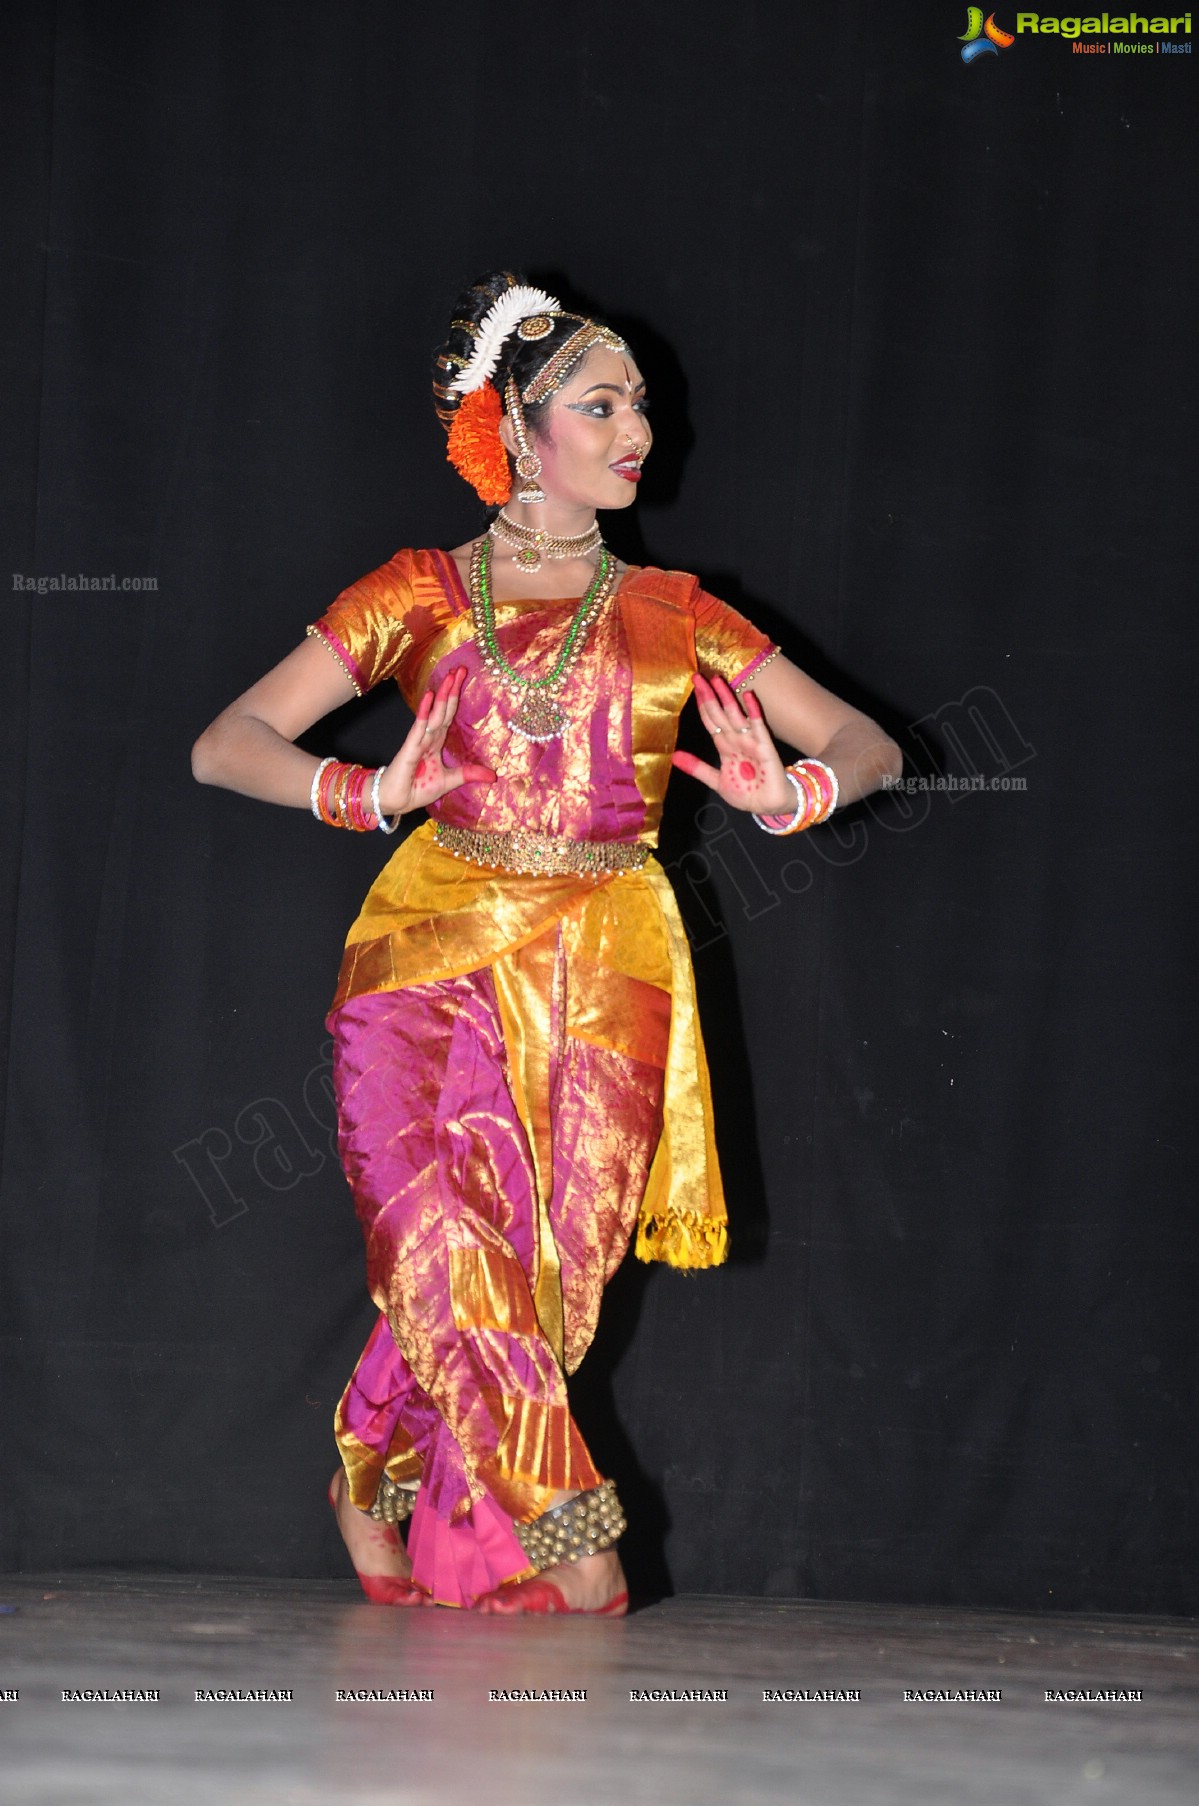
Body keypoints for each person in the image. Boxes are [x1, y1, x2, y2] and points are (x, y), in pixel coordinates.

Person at [192, 271, 902, 1615]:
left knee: (548, 1293)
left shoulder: (682, 609)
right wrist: (361, 792)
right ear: (518, 429)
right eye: (603, 400)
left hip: (610, 966)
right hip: (425, 951)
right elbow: (224, 743)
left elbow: (864, 742)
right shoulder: (418, 591)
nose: (641, 427)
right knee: (449, 1251)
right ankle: (579, 1560)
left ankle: (368, 1463)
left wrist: (797, 794)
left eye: (641, 401)